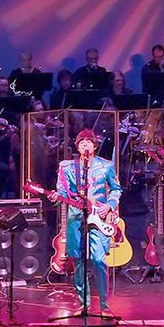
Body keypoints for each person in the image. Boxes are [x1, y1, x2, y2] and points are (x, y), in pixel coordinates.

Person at [48, 129, 122, 315]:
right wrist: (56, 196)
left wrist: (109, 205)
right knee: (79, 261)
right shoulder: (67, 167)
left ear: (95, 145)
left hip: (99, 217)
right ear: (77, 146)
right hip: (76, 218)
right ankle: (84, 304)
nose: (85, 144)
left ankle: (104, 306)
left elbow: (116, 189)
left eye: (89, 141)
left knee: (98, 260)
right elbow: (62, 193)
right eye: (82, 142)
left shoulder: (106, 166)